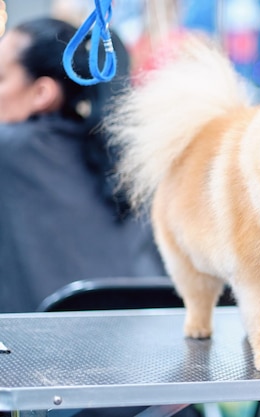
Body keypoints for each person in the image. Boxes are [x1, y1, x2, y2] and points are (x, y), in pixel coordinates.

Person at [0, 17, 165, 313]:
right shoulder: (123, 151)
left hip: (42, 354)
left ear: (41, 93)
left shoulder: (10, 150)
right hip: (148, 345)